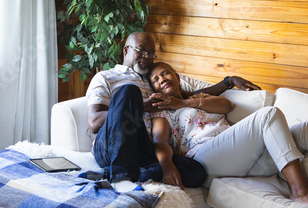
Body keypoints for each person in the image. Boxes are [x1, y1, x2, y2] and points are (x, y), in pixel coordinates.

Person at [86, 31, 260, 191]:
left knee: (196, 172)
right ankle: (120, 178)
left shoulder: (153, 81)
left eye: (151, 52)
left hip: (145, 150)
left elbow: (189, 98)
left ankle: (140, 174)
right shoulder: (105, 77)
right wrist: (139, 105)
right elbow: (94, 123)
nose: (147, 56)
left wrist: (228, 81)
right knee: (129, 92)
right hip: (111, 146)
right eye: (141, 50)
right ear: (126, 51)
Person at [148, 61, 308, 203]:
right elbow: (159, 141)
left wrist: (182, 103)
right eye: (156, 80)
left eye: (165, 73)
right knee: (268, 115)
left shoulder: (197, 97)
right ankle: (300, 192)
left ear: (176, 76)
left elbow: (226, 106)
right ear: (153, 88)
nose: (162, 79)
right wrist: (166, 165)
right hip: (205, 159)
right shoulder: (162, 112)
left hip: (238, 159)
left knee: (303, 129)